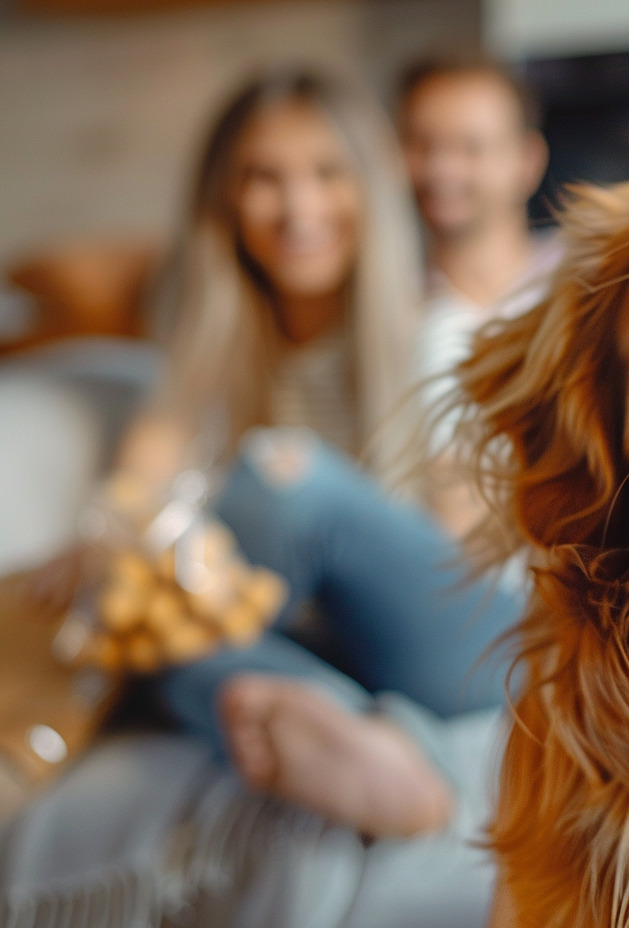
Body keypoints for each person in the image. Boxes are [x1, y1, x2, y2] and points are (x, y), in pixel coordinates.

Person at [102, 67, 521, 839]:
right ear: (224, 199)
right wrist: (122, 555)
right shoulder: (205, 364)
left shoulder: (443, 335)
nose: (299, 210)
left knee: (278, 484)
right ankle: (363, 742)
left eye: (328, 175)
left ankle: (347, 723)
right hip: (316, 650)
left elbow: (466, 547)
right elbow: (127, 511)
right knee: (161, 630)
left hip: (474, 641)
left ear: (372, 184)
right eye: (264, 179)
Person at [395, 49, 560, 533]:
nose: (442, 170)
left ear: (527, 162)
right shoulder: (388, 305)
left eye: (470, 148)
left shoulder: (586, 283)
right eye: (422, 145)